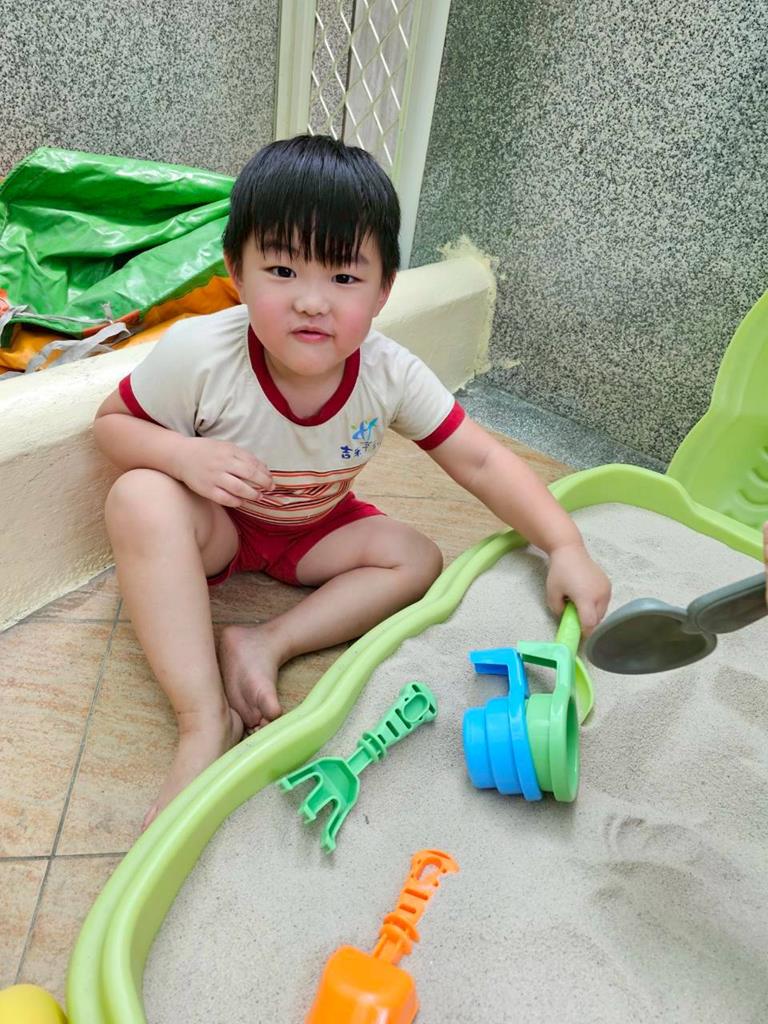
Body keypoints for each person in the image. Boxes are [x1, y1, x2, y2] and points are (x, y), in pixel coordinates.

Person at [93, 135, 611, 829]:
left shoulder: (389, 372)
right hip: (220, 526)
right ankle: (204, 719)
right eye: (282, 269)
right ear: (236, 271)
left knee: (417, 558)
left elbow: (481, 461)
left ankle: (266, 643)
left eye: (343, 277)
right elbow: (113, 426)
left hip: (316, 530)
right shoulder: (200, 352)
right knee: (138, 495)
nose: (312, 302)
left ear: (383, 290)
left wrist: (565, 544)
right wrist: (185, 458)